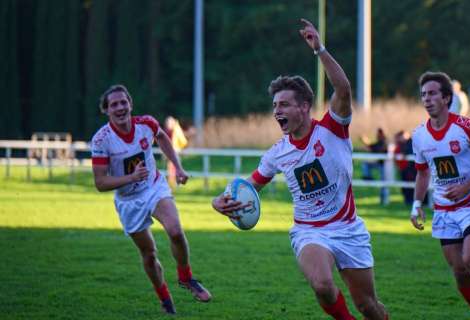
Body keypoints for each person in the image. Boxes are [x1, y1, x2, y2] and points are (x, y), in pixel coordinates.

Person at [212, 19, 389, 320]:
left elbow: (343, 89)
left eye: (283, 104)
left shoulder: (332, 129)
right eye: (275, 106)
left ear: (304, 107)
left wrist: (319, 49)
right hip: (309, 231)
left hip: (348, 229)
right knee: (322, 285)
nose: (276, 111)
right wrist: (220, 200)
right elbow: (251, 184)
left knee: (368, 306)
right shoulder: (277, 154)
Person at [90, 85, 211, 315]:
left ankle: (186, 277)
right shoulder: (101, 140)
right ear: (106, 110)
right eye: (114, 104)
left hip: (153, 187)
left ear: (130, 104)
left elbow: (163, 138)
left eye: (123, 102)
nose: (120, 107)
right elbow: (100, 183)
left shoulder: (146, 124)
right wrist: (131, 177)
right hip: (128, 201)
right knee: (149, 253)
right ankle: (164, 298)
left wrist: (179, 167)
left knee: (175, 230)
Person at [410, 71, 470, 320]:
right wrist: (416, 204)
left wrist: (467, 187)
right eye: (423, 95)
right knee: (459, 271)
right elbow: (422, 174)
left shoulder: (468, 127)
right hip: (443, 210)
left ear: (446, 98)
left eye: (432, 94)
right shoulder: (419, 135)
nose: (427, 99)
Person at [360, 128, 389, 205]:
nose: (378, 135)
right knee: (365, 164)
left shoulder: (385, 142)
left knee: (384, 184)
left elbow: (375, 148)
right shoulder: (379, 142)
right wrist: (365, 141)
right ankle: (368, 177)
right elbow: (371, 146)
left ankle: (384, 201)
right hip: (379, 164)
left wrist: (367, 144)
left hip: (384, 165)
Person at [164, 116, 189, 189]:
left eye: (168, 123)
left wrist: (178, 149)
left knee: (175, 167)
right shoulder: (172, 129)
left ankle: (175, 183)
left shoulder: (176, 129)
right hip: (172, 151)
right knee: (172, 167)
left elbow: (182, 141)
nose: (167, 125)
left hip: (175, 151)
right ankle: (172, 184)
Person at [394, 130, 415, 205]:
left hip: (412, 168)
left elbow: (411, 151)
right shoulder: (401, 144)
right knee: (406, 185)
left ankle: (412, 200)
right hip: (406, 168)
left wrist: (405, 153)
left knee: (412, 184)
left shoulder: (411, 142)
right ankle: (408, 200)